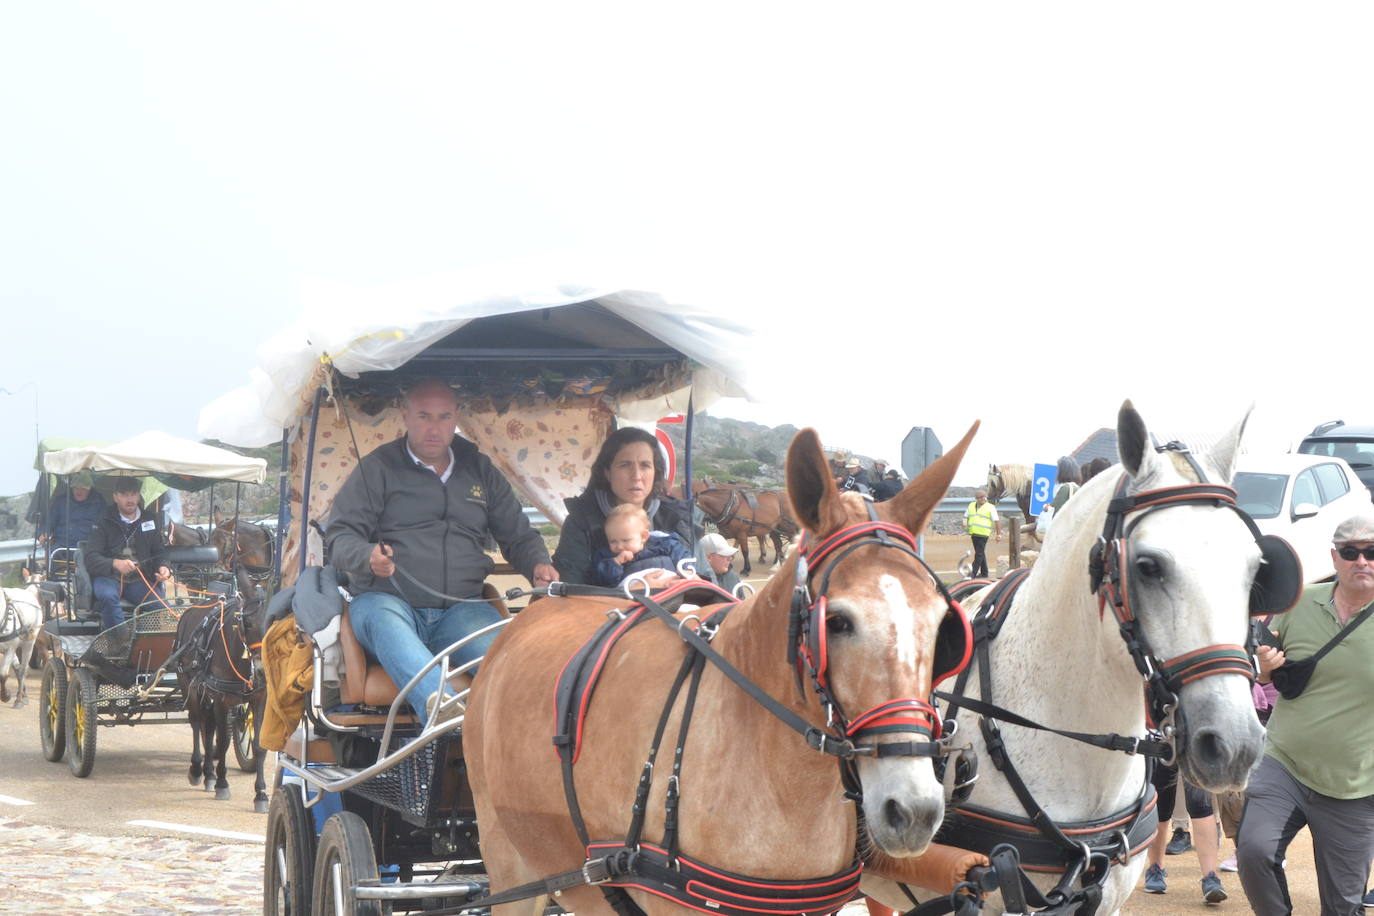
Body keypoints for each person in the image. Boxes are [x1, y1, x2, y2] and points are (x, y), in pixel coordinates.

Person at [325, 379, 557, 720]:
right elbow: (340, 538)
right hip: (389, 602)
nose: (434, 428)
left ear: (457, 417)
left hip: (463, 610)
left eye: (444, 417)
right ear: (405, 414)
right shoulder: (377, 468)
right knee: (380, 618)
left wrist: (538, 563)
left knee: (512, 665)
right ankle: (441, 706)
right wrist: (368, 557)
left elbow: (518, 535)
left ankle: (529, 732)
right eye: (423, 416)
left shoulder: (480, 470)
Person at [1238, 512, 1374, 916]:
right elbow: (1264, 674)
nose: (1361, 561)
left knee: (1343, 906)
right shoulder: (1300, 603)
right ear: (1334, 557)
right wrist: (1262, 666)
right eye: (1350, 552)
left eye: (1371, 552)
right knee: (1254, 853)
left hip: (1355, 784)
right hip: (1285, 764)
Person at [553, 426, 696, 587]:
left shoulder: (677, 516)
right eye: (625, 465)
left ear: (655, 472)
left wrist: (693, 581)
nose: (636, 476)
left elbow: (705, 577)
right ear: (607, 472)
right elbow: (568, 588)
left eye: (645, 465)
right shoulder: (582, 521)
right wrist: (633, 591)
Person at [85, 477, 170, 632]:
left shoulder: (150, 519)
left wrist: (164, 567)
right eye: (124, 495)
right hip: (108, 578)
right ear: (115, 497)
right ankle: (120, 642)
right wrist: (115, 563)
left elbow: (159, 552)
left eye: (133, 494)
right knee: (108, 597)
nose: (130, 499)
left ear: (139, 496)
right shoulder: (103, 520)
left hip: (139, 579)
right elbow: (90, 558)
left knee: (161, 607)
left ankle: (140, 642)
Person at [1142, 761, 1227, 904]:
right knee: (1161, 805)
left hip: (1194, 743)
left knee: (1201, 804)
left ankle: (1210, 877)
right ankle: (1155, 868)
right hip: (1162, 742)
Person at [593, 504, 694, 587]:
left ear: (643, 536)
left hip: (671, 584)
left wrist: (686, 569)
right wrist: (615, 563)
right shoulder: (608, 556)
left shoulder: (662, 543)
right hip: (633, 593)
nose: (619, 546)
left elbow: (681, 554)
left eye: (625, 540)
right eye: (613, 541)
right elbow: (604, 581)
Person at [40, 470, 105, 552]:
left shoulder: (99, 504)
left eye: (83, 488)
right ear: (71, 487)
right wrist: (43, 533)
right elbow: (49, 521)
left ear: (90, 489)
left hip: (86, 548)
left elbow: (104, 528)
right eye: (76, 487)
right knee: (50, 555)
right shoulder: (61, 501)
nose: (79, 490)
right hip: (60, 545)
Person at [963, 489, 1000, 578]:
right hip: (974, 533)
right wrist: (964, 522)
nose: (983, 499)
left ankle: (972, 574)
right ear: (976, 498)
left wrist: (999, 534)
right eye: (980, 497)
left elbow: (997, 521)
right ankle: (984, 573)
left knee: (978, 554)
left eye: (984, 497)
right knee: (980, 553)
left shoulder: (990, 507)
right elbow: (966, 515)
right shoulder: (971, 505)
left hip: (984, 534)